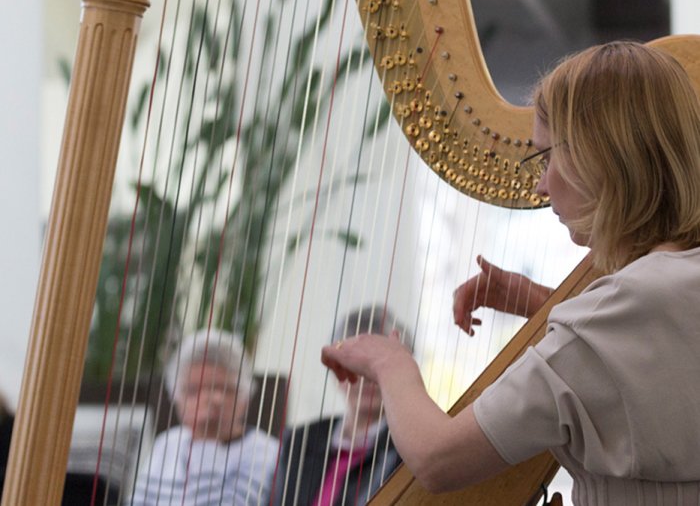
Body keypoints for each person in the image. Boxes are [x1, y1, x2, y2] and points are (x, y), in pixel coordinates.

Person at [321, 41, 700, 504]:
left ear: (600, 156)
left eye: (545, 158)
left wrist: (388, 363)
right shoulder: (668, 287)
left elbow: (438, 459)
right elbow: (649, 354)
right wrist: (537, 301)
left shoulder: (624, 308)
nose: (541, 185)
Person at [273, 306, 407, 506]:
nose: (367, 378)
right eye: (357, 365)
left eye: (379, 365)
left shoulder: (406, 450)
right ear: (336, 370)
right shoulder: (300, 439)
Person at [130, 329, 279, 505]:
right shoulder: (167, 443)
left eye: (222, 389)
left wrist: (207, 436)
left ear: (245, 396)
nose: (209, 399)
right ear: (176, 397)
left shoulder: (267, 454)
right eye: (193, 390)